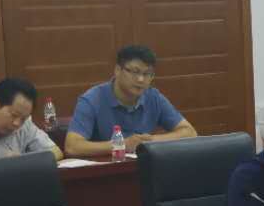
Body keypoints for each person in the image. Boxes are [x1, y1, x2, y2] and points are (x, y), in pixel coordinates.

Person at [64, 45, 197, 157]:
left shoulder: (153, 97)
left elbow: (189, 132)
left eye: (147, 74)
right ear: (117, 70)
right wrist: (122, 144)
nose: (140, 79)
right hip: (104, 172)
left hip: (144, 170)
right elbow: (72, 146)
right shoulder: (92, 99)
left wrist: (149, 141)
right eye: (135, 72)